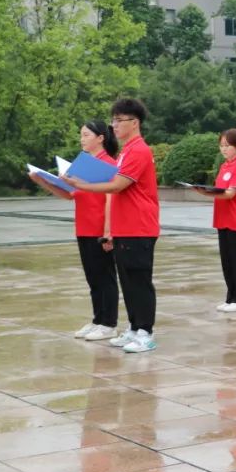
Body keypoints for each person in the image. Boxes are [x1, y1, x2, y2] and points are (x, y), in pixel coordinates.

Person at [64, 98, 160, 354]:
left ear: (135, 123)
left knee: (139, 281)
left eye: (119, 120)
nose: (114, 125)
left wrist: (80, 184)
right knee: (127, 282)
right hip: (125, 226)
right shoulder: (126, 151)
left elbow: (117, 185)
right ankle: (134, 328)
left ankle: (146, 332)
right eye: (113, 120)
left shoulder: (139, 150)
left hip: (139, 226)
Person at [29, 120, 119, 342]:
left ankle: (109, 324)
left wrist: (108, 230)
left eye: (86, 135)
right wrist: (42, 181)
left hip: (100, 229)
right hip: (84, 227)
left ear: (101, 138)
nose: (82, 139)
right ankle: (98, 320)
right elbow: (70, 195)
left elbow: (111, 198)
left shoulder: (109, 165)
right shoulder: (83, 165)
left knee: (105, 277)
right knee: (93, 278)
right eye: (81, 135)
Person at [191, 129, 236, 312]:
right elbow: (219, 190)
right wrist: (205, 191)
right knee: (227, 261)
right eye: (221, 145)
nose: (224, 149)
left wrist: (206, 193)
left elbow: (230, 194)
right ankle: (231, 297)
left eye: (228, 145)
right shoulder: (225, 166)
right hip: (222, 218)